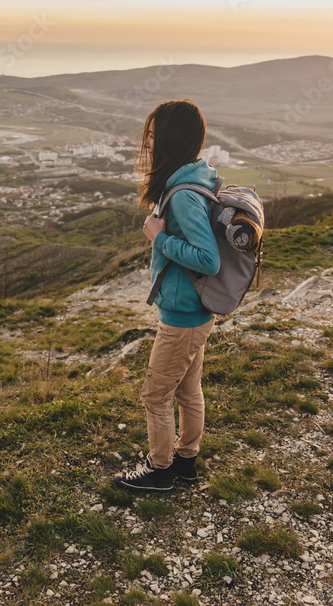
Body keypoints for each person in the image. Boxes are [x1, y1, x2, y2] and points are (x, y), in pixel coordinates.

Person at [114, 99, 220, 493]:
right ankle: (187, 464)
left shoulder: (182, 195)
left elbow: (208, 259)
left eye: (155, 135)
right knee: (188, 390)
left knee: (155, 395)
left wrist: (161, 238)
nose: (149, 143)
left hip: (182, 317)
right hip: (196, 312)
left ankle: (161, 472)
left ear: (170, 140)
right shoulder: (195, 176)